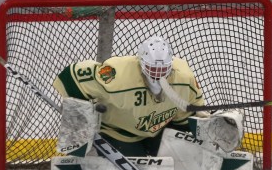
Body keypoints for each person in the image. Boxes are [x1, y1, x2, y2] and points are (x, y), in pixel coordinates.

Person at [53, 35, 205, 157]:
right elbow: (69, 77)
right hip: (119, 134)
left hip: (158, 132)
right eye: (152, 68)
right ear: (141, 62)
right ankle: (84, 160)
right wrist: (80, 112)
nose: (158, 74)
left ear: (171, 64)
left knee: (187, 159)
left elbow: (188, 116)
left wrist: (206, 120)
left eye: (163, 68)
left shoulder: (184, 79)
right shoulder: (117, 75)